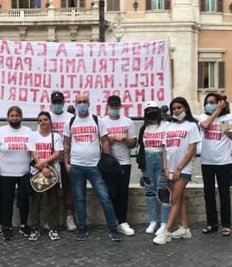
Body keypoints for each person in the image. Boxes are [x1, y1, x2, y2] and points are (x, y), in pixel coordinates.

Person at [63, 92, 121, 242]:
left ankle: (113, 229)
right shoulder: (70, 122)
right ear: (75, 104)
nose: (82, 104)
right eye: (79, 102)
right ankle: (82, 228)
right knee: (80, 199)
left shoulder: (97, 120)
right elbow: (66, 144)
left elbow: (105, 141)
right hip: (76, 166)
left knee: (105, 197)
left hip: (95, 166)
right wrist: (66, 163)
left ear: (89, 104)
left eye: (85, 101)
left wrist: (106, 161)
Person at [154, 97, 201, 245]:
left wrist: (180, 168)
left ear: (185, 108)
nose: (176, 111)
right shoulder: (168, 127)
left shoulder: (192, 126)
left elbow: (192, 149)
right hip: (170, 169)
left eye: (179, 108)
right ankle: (185, 228)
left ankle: (166, 232)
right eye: (174, 108)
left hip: (183, 169)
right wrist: (166, 169)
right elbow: (164, 150)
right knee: (179, 198)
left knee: (174, 199)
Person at [198, 93, 232, 237]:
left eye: (212, 102)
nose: (208, 104)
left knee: (224, 194)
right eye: (207, 102)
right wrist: (216, 111)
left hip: (223, 162)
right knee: (208, 194)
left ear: (220, 103)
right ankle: (211, 223)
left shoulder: (226, 119)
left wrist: (230, 135)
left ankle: (226, 225)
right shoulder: (204, 117)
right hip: (207, 161)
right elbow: (204, 125)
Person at [0, 106, 32, 241]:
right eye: (12, 116)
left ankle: (24, 224)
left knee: (24, 201)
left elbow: (33, 151)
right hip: (6, 172)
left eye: (17, 116)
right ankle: (7, 227)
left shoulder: (28, 131)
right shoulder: (0, 131)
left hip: (24, 172)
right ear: (8, 117)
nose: (14, 118)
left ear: (21, 117)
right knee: (7, 200)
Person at [101, 95, 137, 236]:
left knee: (123, 193)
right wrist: (106, 142)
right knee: (110, 193)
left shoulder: (128, 121)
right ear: (108, 106)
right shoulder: (102, 121)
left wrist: (124, 139)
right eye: (112, 105)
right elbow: (97, 141)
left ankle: (123, 221)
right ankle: (112, 221)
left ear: (120, 106)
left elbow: (133, 143)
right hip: (107, 163)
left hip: (124, 162)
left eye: (116, 105)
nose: (114, 107)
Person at [27, 111, 63, 241]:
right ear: (38, 122)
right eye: (41, 120)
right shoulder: (33, 135)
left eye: (45, 119)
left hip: (53, 174)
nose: (43, 122)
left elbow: (57, 153)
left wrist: (44, 164)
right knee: (35, 203)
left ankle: (53, 228)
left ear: (50, 121)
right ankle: (34, 229)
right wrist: (42, 167)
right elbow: (33, 153)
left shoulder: (56, 136)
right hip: (37, 174)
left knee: (53, 202)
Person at [136, 101, 170, 234]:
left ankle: (164, 222)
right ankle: (152, 221)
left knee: (163, 191)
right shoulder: (144, 128)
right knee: (149, 191)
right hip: (147, 160)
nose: (151, 112)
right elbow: (140, 145)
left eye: (153, 109)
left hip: (162, 159)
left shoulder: (167, 126)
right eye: (148, 110)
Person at [49, 91, 77, 231]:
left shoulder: (71, 117)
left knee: (68, 189)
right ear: (51, 103)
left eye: (60, 102)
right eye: (55, 102)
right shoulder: (47, 117)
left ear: (63, 103)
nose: (57, 105)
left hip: (68, 158)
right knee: (51, 189)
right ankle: (51, 218)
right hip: (52, 159)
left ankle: (69, 217)